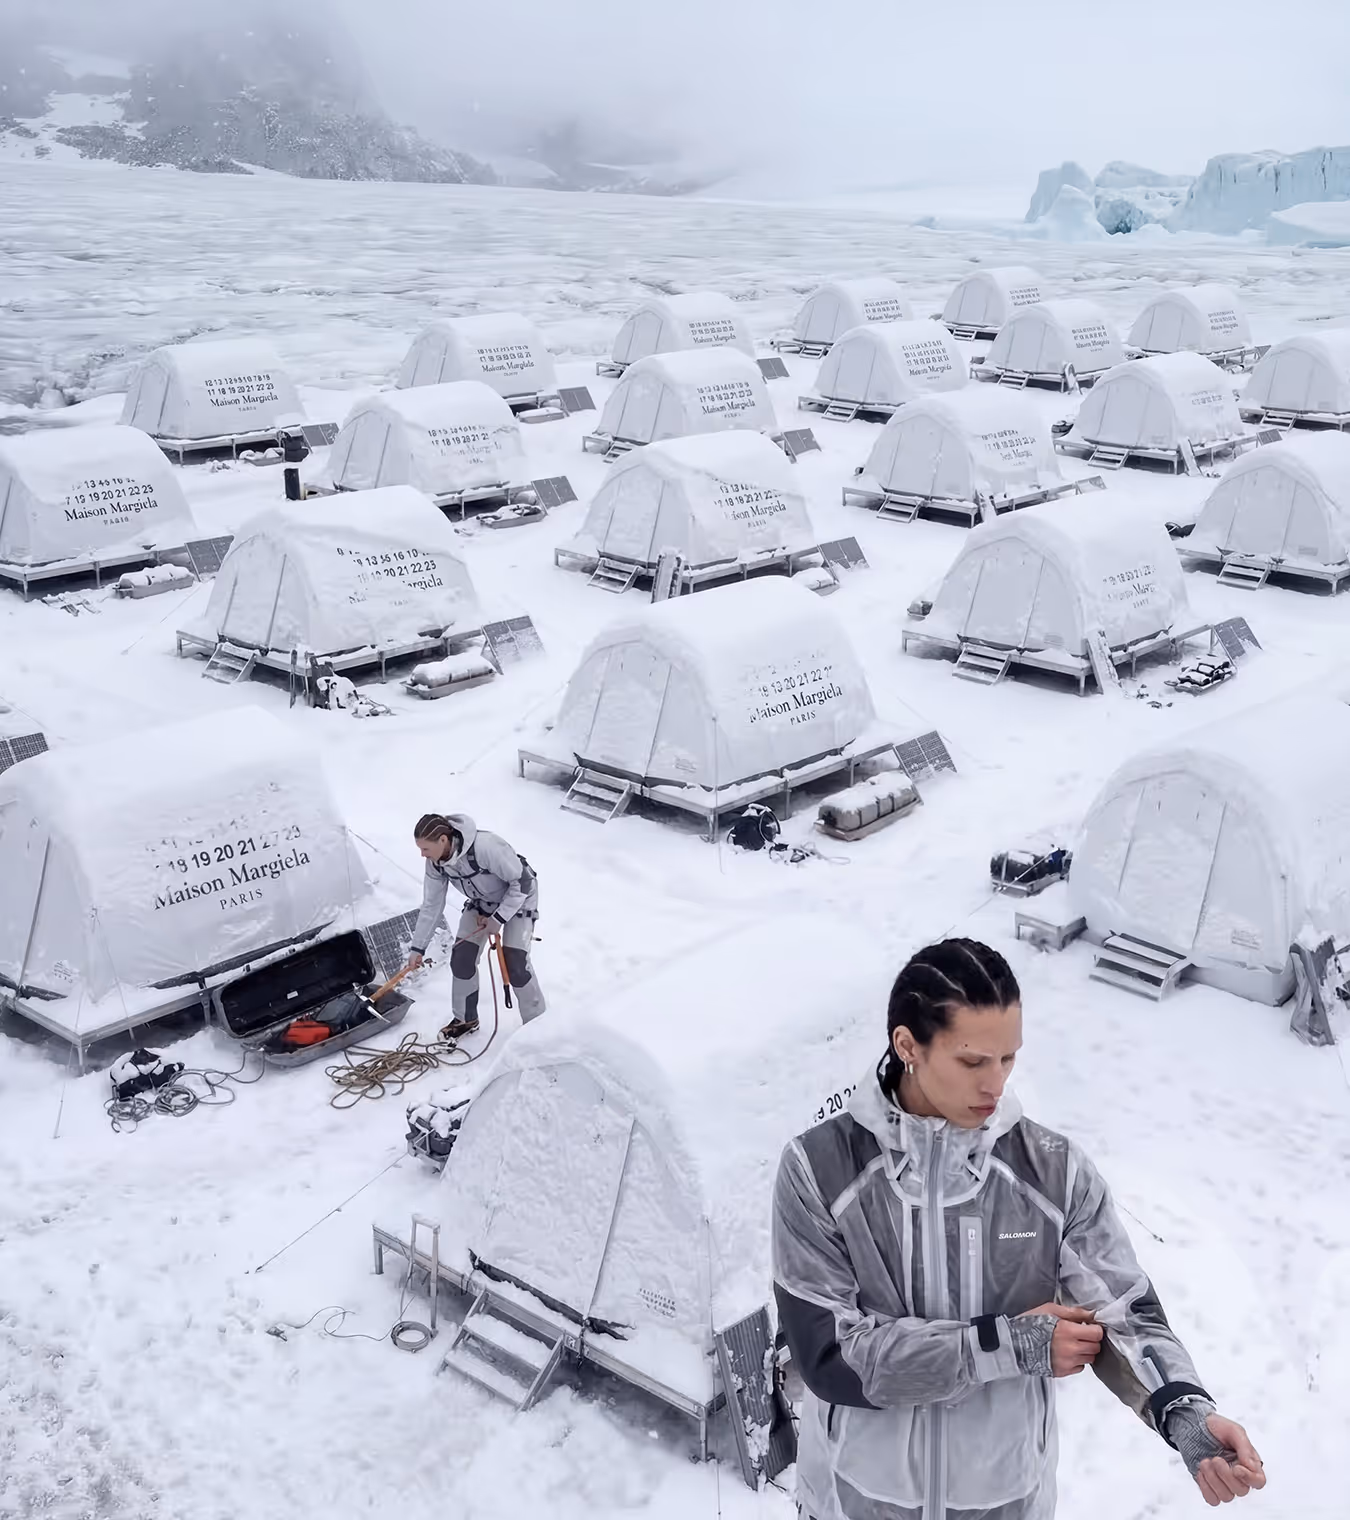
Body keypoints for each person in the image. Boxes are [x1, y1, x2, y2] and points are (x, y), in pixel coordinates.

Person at [773, 938, 1265, 1519]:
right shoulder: (819, 1169)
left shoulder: (1053, 1171)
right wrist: (1002, 1346)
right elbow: (830, 1355)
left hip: (1005, 1503)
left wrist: (1182, 1411)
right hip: (855, 1501)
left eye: (1008, 1058)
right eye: (973, 1061)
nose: (996, 1084)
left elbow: (1122, 1309)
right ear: (907, 1045)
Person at [404, 812, 544, 1036]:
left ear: (443, 840)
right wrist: (417, 948)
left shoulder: (486, 847)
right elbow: (432, 905)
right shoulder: (436, 863)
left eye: (425, 849)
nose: (422, 855)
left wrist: (498, 919)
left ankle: (538, 1026)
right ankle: (465, 1019)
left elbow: (523, 881)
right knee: (461, 958)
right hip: (482, 901)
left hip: (519, 896)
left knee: (516, 963)